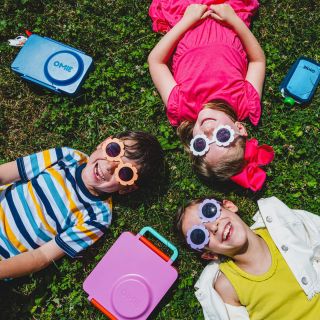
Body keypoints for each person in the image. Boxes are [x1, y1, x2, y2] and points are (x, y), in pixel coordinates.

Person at [0, 131, 164, 279]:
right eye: (113, 150)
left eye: (124, 172)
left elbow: (41, 257)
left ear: (127, 189)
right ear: (104, 143)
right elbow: (4, 174)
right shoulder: (66, 157)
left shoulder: (98, 218)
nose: (109, 166)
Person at [148, 1, 274, 191]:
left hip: (186, 14)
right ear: (240, 128)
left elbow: (156, 62)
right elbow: (257, 61)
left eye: (201, 144)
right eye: (222, 136)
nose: (208, 131)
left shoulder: (181, 106)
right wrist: (233, 20)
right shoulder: (245, 104)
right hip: (228, 13)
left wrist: (186, 21)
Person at [176, 196, 320, 319]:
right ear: (210, 254)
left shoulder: (283, 227)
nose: (213, 227)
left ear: (229, 206)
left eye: (209, 211)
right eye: (199, 235)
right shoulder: (227, 286)